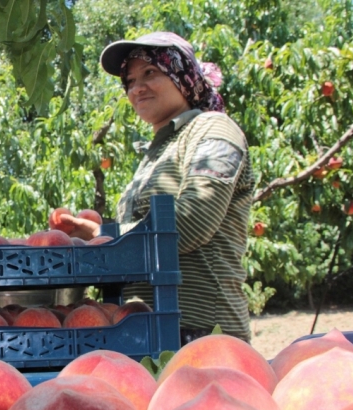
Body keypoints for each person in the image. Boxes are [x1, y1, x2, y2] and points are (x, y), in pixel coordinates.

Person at [63, 31, 254, 345]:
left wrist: (108, 237)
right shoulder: (158, 151)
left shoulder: (214, 130)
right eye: (129, 81)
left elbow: (192, 222)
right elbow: (143, 232)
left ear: (182, 75)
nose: (137, 88)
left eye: (150, 72)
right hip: (148, 332)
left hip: (203, 336)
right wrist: (97, 234)